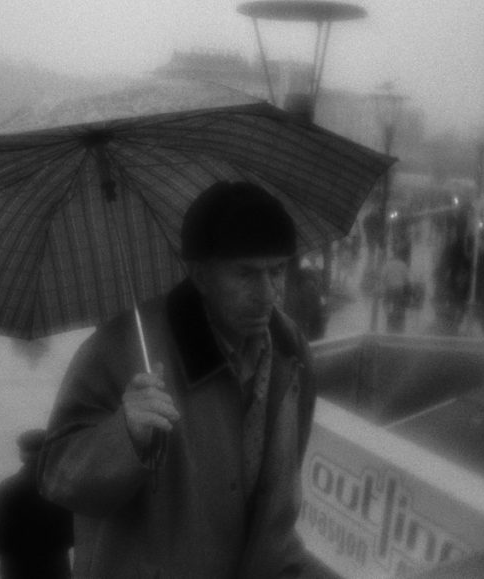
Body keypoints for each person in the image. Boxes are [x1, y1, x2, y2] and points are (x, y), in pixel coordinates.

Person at [39, 181, 317, 577]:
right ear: (201, 276)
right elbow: (58, 477)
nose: (268, 294)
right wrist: (125, 435)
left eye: (277, 271)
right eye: (247, 274)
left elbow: (278, 503)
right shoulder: (120, 349)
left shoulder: (292, 354)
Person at [0, 429, 73, 579]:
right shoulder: (62, 487)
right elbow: (72, 533)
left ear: (22, 455)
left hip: (15, 567)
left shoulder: (7, 488)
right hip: (54, 567)